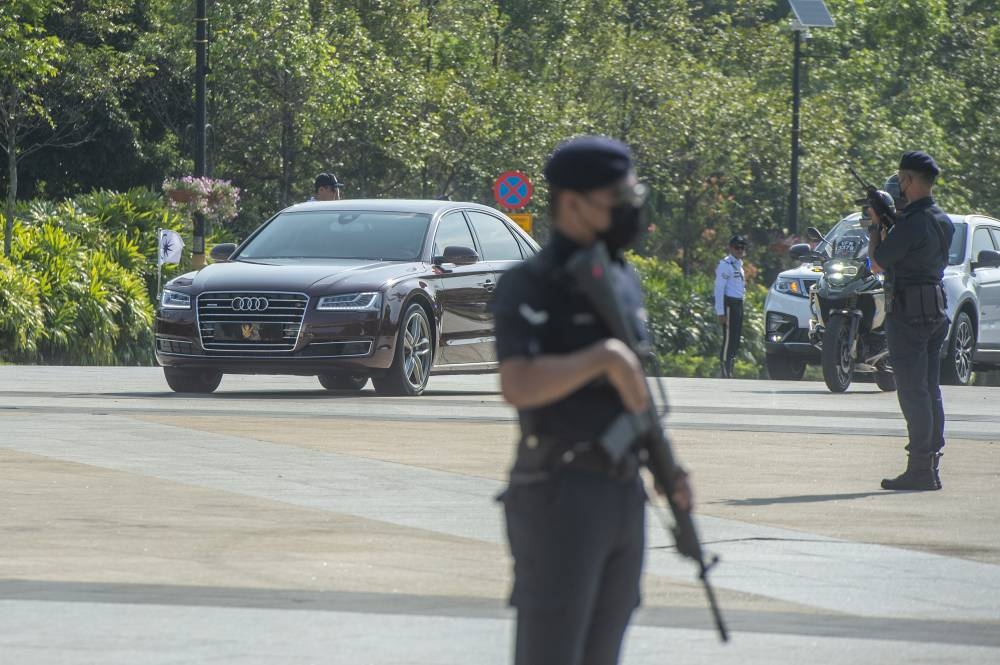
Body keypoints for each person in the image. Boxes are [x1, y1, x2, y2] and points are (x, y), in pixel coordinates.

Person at [492, 136, 693, 665]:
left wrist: (668, 467)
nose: (630, 210)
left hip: (623, 492)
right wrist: (600, 358)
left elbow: (637, 390)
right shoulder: (531, 283)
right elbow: (516, 384)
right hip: (560, 493)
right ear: (573, 202)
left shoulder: (623, 277)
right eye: (616, 199)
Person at [868, 150, 955, 491]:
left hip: (909, 312)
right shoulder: (941, 219)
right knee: (930, 390)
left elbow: (878, 262)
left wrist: (878, 224)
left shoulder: (912, 222)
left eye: (901, 179)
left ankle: (919, 468)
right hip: (935, 308)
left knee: (912, 392)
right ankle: (929, 465)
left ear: (907, 180)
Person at [714, 234, 747, 378]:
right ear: (730, 248)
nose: (740, 250)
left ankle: (730, 366)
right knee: (728, 338)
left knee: (736, 337)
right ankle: (725, 368)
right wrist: (720, 311)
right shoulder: (725, 265)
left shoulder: (739, 265)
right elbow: (719, 289)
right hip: (729, 304)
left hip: (738, 304)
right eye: (737, 247)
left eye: (742, 247)